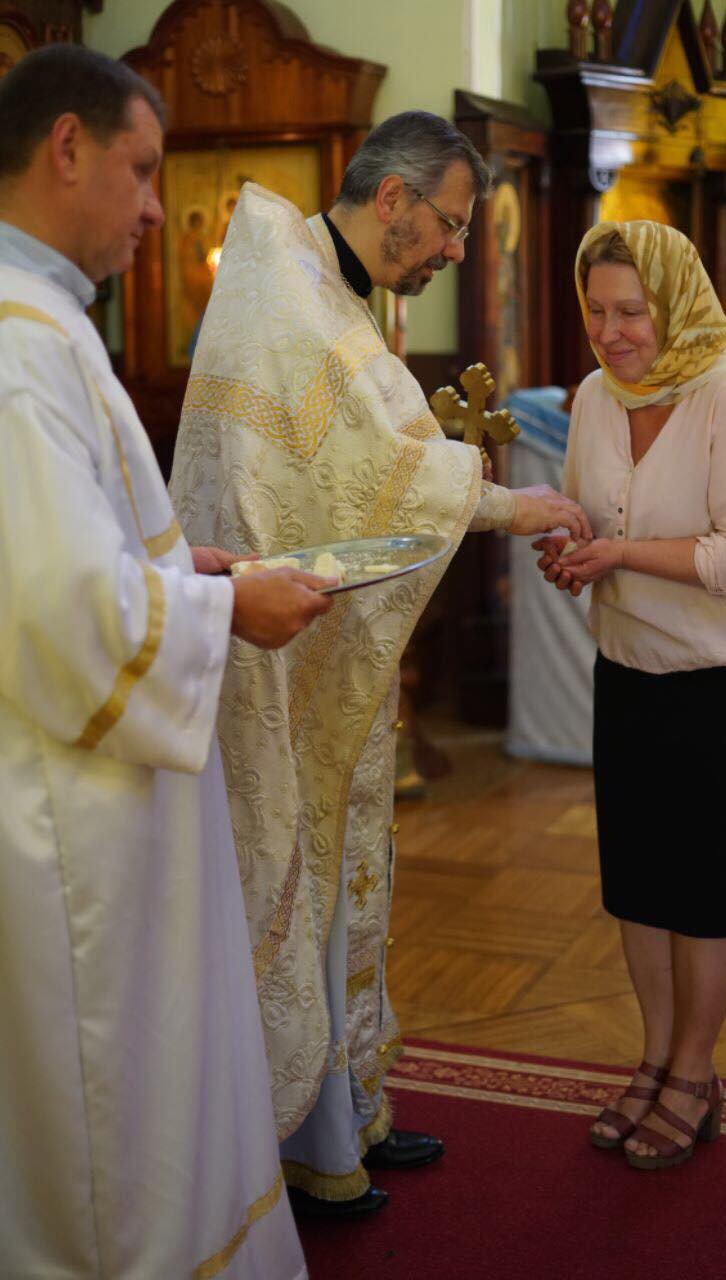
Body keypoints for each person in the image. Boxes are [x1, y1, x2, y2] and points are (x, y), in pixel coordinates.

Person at [169, 111, 592, 1215]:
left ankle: (348, 1110)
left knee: (345, 870)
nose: (456, 247)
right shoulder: (289, 300)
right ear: (392, 197)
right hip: (271, 657)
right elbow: (385, 472)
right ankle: (297, 1148)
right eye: (449, 223)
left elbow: (373, 465)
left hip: (314, 641)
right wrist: (510, 506)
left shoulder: (327, 292)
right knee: (297, 870)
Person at [0, 45, 332, 1276]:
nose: (155, 207)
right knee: (111, 1130)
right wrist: (227, 607)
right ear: (66, 146)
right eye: (141, 170)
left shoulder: (44, 318)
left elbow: (57, 546)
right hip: (69, 812)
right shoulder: (18, 342)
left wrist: (182, 566)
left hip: (102, 788)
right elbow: (57, 606)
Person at [534, 220, 726, 1171]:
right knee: (641, 886)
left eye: (631, 312)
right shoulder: (592, 397)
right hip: (629, 670)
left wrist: (617, 553)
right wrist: (572, 548)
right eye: (596, 311)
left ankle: (695, 1073)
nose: (610, 333)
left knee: (707, 893)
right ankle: (653, 1058)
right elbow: (593, 517)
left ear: (676, 304)